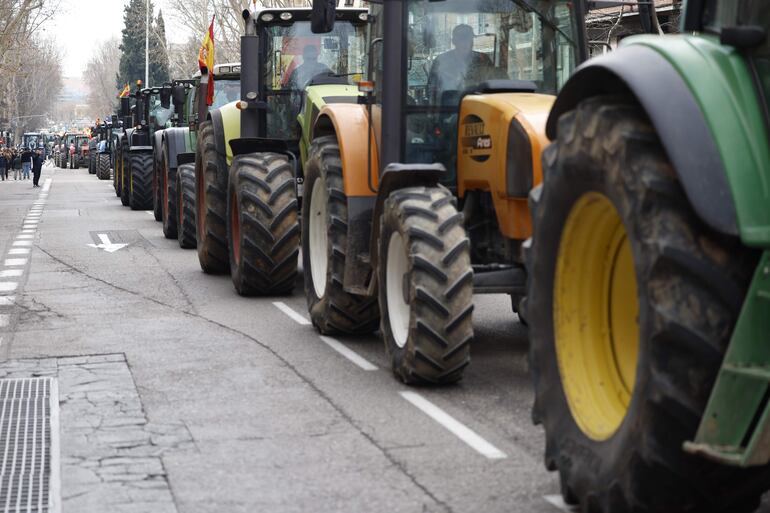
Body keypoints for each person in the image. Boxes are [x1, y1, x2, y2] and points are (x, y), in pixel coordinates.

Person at [427, 24, 497, 104]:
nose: (466, 43)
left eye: (469, 39)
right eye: (461, 39)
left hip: (478, 106)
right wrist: (434, 112)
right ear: (454, 41)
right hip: (448, 109)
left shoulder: (483, 59)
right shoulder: (441, 61)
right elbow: (431, 89)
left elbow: (493, 84)